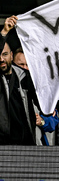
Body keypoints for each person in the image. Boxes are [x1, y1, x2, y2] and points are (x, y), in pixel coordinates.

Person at [0, 15, 39, 145]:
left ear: (11, 55)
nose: (1, 59)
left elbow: (41, 101)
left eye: (5, 54)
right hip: (3, 145)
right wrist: (4, 32)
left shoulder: (24, 77)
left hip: (25, 144)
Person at [13, 46, 59, 145]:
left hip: (37, 148)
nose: (25, 69)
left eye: (28, 65)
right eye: (21, 65)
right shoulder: (9, 90)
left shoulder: (41, 90)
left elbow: (54, 121)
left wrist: (41, 121)